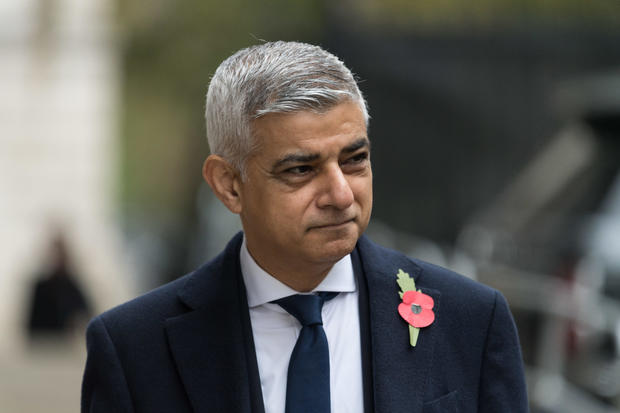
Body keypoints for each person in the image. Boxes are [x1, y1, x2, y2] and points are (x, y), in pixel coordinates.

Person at [82, 41, 528, 413]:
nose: (340, 194)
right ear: (229, 185)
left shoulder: (470, 321)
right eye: (300, 169)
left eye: (355, 160)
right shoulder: (133, 349)